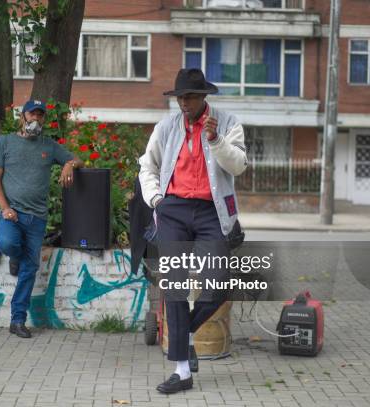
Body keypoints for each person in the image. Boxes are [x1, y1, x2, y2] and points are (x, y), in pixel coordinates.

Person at [138, 68, 248, 394]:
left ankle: (185, 334)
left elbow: (238, 166)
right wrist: (156, 199)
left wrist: (215, 140)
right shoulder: (166, 127)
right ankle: (182, 372)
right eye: (180, 97)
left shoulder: (228, 123)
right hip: (172, 210)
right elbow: (148, 165)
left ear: (204, 97)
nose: (184, 103)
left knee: (218, 285)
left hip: (212, 213)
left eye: (190, 97)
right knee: (174, 285)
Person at [0, 99, 83, 338]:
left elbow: (77, 159)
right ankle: (15, 255)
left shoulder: (48, 146)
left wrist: (68, 165)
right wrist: (5, 207)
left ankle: (17, 321)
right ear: (23, 117)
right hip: (12, 214)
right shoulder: (5, 142)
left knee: (29, 270)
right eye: (33, 114)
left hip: (37, 218)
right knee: (7, 244)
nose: (36, 119)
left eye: (41, 116)